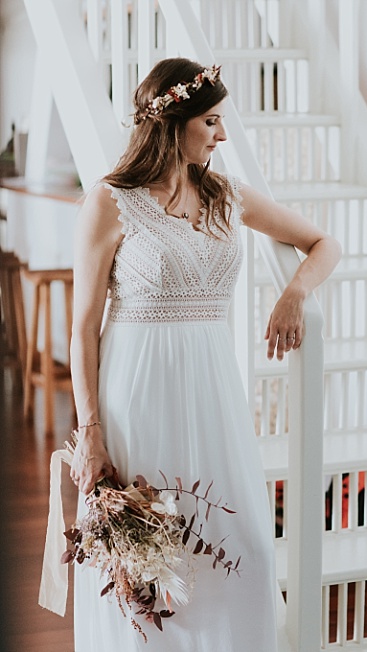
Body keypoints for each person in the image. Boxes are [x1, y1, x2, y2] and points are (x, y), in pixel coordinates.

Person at [66, 57, 342, 649]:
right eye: (212, 121)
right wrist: (90, 431)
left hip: (214, 394)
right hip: (136, 395)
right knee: (146, 556)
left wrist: (295, 292)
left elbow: (323, 243)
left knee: (240, 550)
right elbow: (83, 327)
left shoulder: (227, 195)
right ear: (174, 121)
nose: (222, 134)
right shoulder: (109, 202)